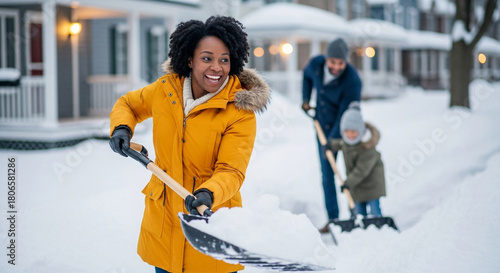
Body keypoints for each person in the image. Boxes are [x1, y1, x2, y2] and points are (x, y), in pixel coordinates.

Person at [109, 16, 270, 273]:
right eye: (207, 58)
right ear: (189, 60)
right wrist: (121, 128)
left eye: (224, 59)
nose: (216, 67)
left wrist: (209, 193)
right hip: (164, 230)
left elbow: (231, 171)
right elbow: (128, 104)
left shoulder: (239, 111)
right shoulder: (165, 91)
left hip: (210, 232)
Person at [301, 37, 362, 232]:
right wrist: (305, 99)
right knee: (327, 174)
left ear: (346, 61)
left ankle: (360, 214)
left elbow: (345, 114)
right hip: (322, 124)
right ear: (326, 59)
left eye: (340, 63)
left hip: (347, 130)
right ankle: (334, 219)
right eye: (332, 62)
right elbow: (306, 76)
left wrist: (332, 139)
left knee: (353, 170)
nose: (336, 67)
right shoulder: (316, 64)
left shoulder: (352, 80)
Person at [328, 102, 386, 217]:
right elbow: (341, 144)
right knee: (358, 212)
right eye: (347, 131)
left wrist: (347, 183)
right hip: (356, 185)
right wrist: (330, 145)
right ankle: (360, 230)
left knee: (374, 211)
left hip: (371, 185)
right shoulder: (347, 141)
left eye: (353, 132)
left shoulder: (367, 145)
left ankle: (380, 227)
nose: (350, 135)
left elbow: (362, 170)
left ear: (360, 130)